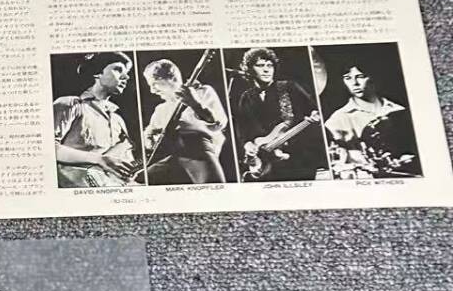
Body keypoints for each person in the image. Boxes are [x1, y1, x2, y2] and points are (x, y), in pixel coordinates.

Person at [233, 47, 324, 182]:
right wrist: (248, 145)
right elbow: (242, 129)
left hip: (297, 160)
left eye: (270, 65)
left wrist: (315, 117)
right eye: (260, 65)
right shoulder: (246, 97)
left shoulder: (289, 87)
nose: (266, 70)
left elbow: (315, 111)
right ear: (250, 69)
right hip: (265, 162)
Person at [53, 52, 138, 187]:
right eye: (118, 69)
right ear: (97, 73)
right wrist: (99, 159)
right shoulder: (70, 104)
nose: (126, 77)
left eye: (127, 72)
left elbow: (124, 159)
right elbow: (49, 149)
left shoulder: (118, 119)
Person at [323, 59, 417, 178]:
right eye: (348, 78)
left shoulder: (399, 110)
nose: (354, 83)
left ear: (373, 77)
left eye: (360, 77)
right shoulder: (337, 120)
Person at [141, 58, 228, 184]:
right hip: (171, 155)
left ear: (172, 78)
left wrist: (196, 104)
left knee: (213, 188)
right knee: (139, 181)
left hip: (198, 152)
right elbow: (149, 134)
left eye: (154, 84)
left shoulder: (202, 92)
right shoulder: (160, 109)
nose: (152, 90)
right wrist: (150, 139)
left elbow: (219, 124)